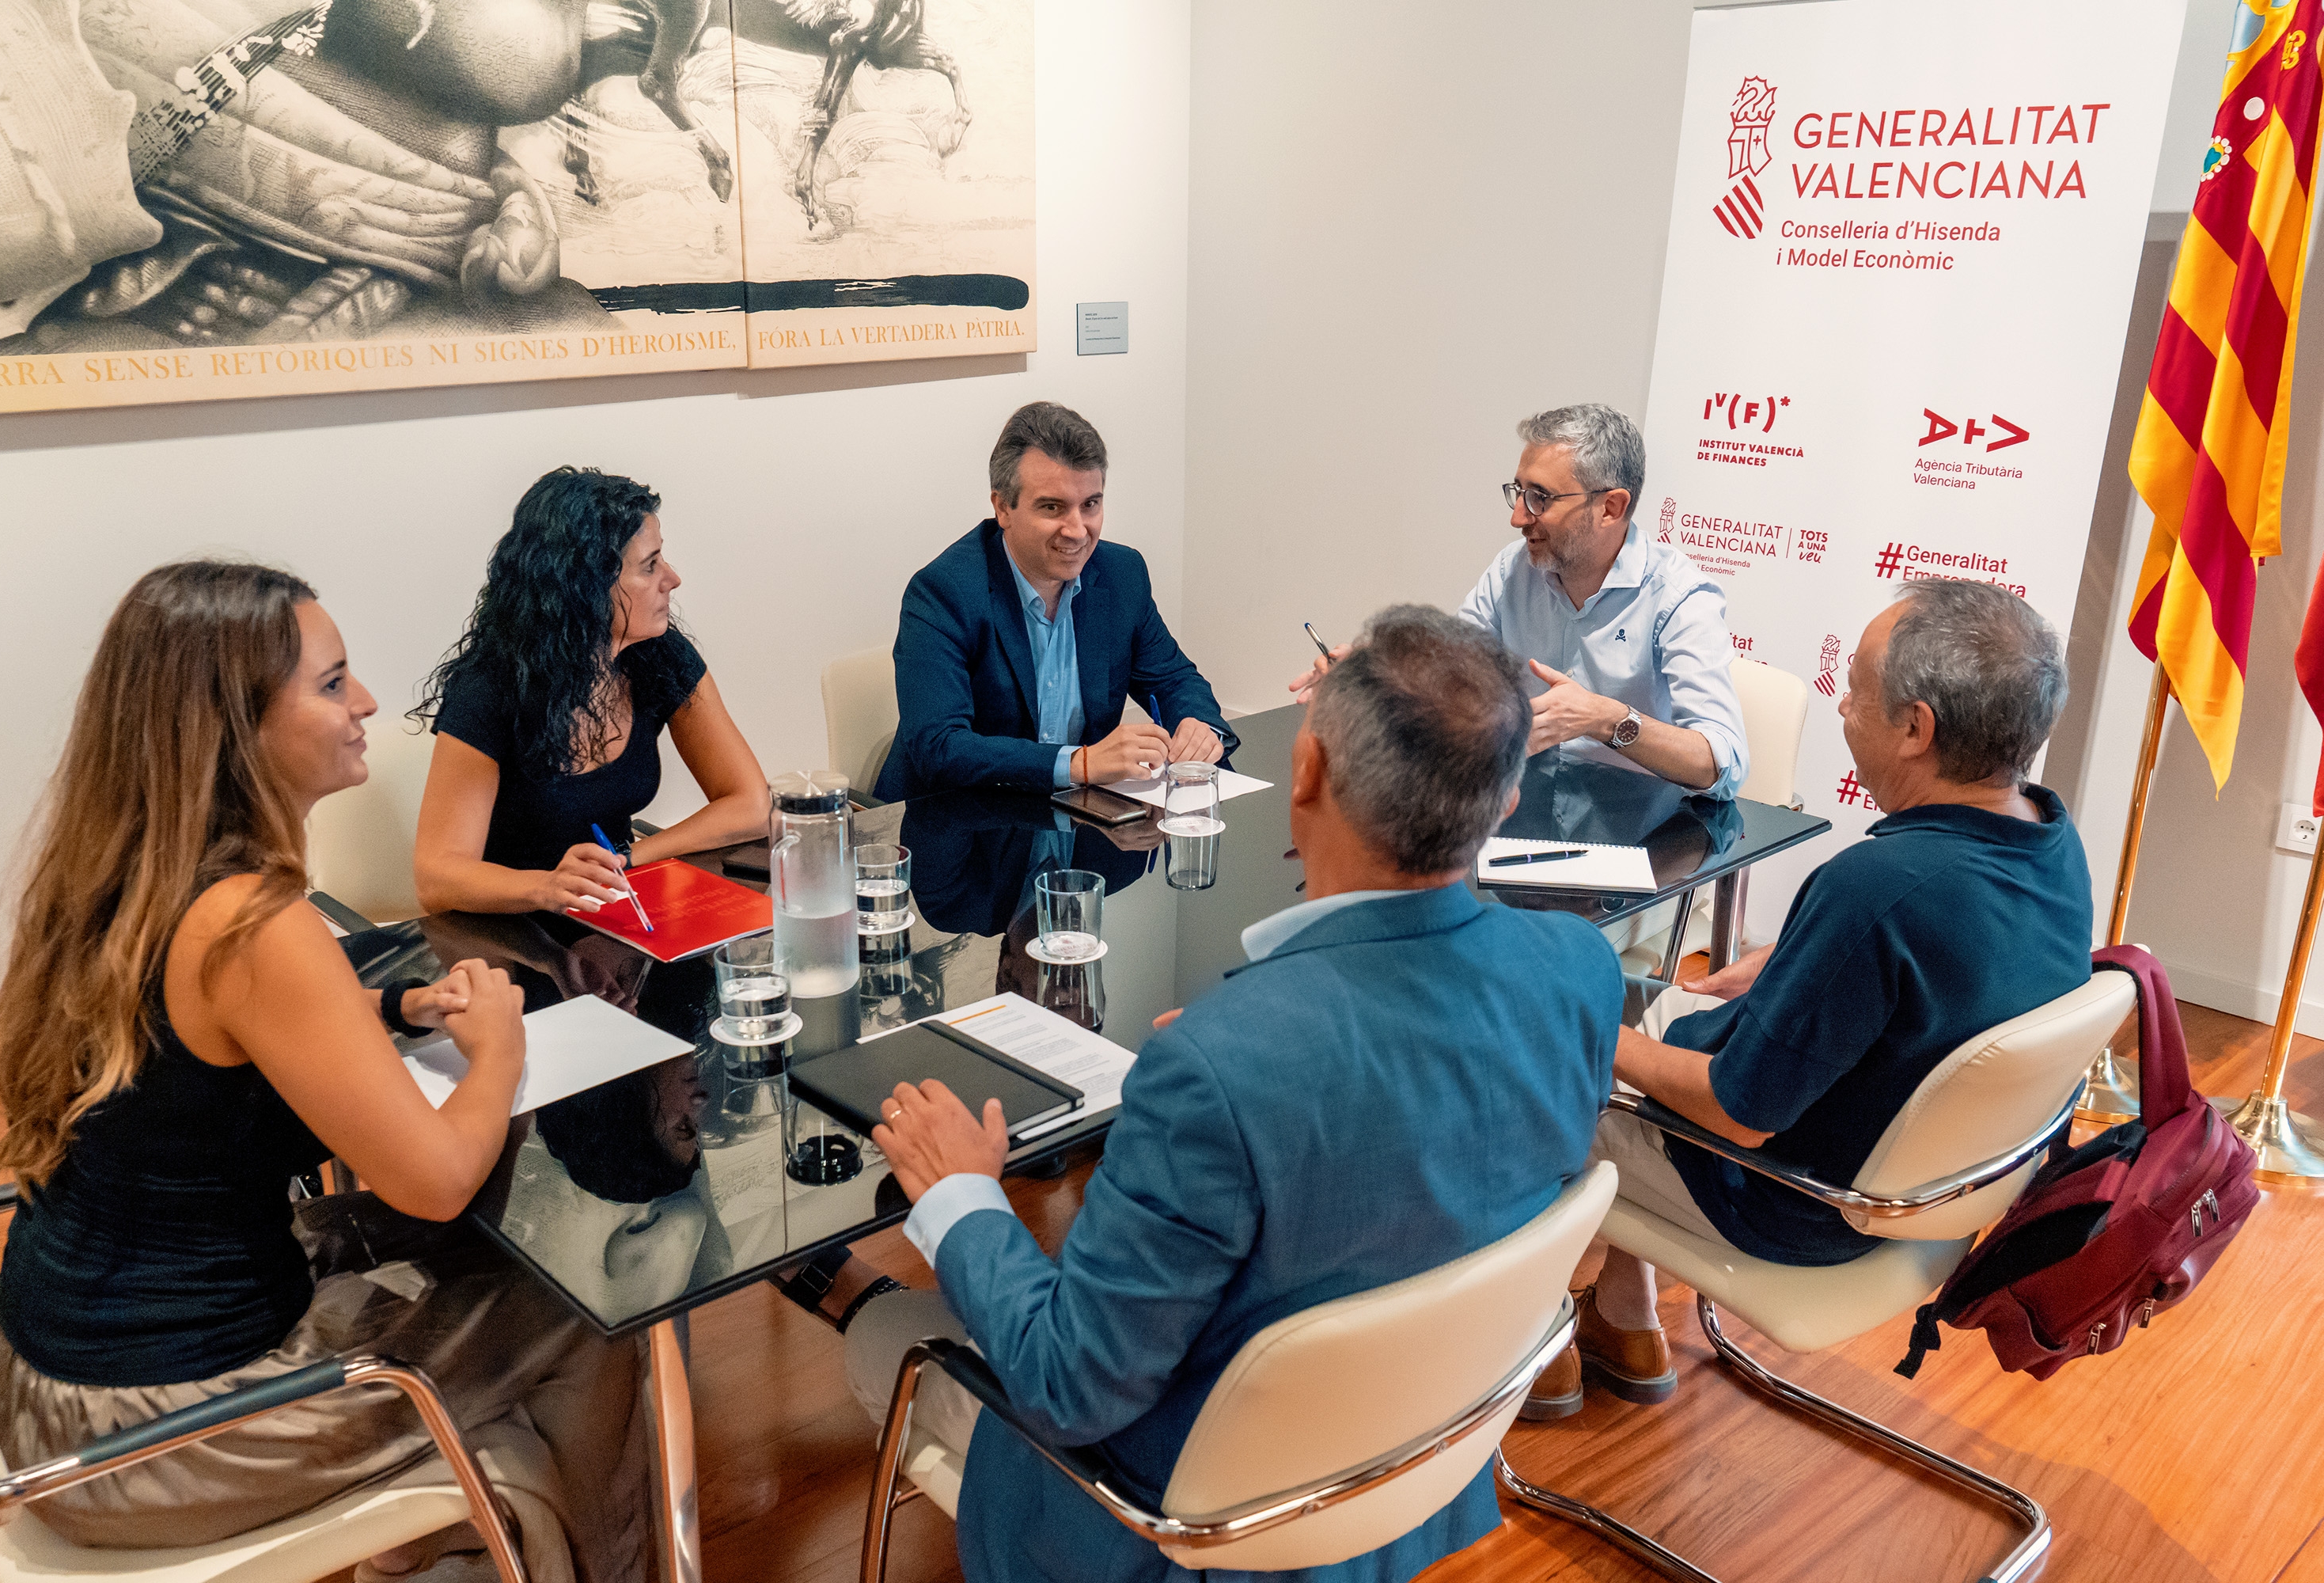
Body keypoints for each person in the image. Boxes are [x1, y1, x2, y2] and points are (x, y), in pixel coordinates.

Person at [851, 605, 1623, 1583]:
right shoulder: (1580, 969)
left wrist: (961, 1191)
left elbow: (1065, 1384)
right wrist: (1229, 1060)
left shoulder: (1221, 1067)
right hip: (1418, 1482)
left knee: (886, 1333)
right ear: (1506, 801)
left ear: (1304, 774)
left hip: (1182, 1529)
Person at [0, 560, 648, 1583]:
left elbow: (197, 1043)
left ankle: (460, 1537)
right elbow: (432, 1174)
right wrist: (498, 1049)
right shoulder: (254, 924)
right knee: (589, 1301)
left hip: (41, 1378)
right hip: (152, 1437)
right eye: (333, 683)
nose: (369, 703)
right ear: (235, 727)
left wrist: (388, 1007)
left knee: (455, 1256)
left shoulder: (118, 868)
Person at [1526, 578, 2090, 1418]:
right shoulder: (2048, 834)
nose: (1840, 703)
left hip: (1788, 1199)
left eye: (1856, 688)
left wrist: (1586, 1037)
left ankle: (1532, 1336)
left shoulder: (1878, 891)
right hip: (1938, 1191)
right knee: (1616, 991)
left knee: (1529, 1051)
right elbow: (1956, 964)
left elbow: (1736, 1112)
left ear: (1916, 727)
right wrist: (1799, 961)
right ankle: (1626, 1314)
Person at [1292, 403, 1746, 797]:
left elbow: (1722, 763)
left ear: (1611, 507)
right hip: (1520, 810)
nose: (1517, 517)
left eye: (1539, 498)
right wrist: (1373, 672)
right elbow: (1452, 671)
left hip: (1639, 839)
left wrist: (1606, 720)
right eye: (1518, 492)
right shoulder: (1515, 569)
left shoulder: (1678, 598)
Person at [414, 466, 771, 917]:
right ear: (587, 588)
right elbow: (437, 875)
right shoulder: (490, 688)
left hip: (611, 906)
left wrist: (626, 860)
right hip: (512, 926)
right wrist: (546, 887)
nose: (673, 579)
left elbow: (751, 805)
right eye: (650, 565)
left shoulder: (658, 655)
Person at [875, 401, 1236, 801]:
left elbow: (1174, 678)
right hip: (961, 830)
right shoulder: (943, 592)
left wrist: (1199, 726)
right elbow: (941, 748)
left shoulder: (1122, 574)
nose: (1078, 530)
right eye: (1052, 507)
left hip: (1076, 821)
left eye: (1091, 504)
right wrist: (1079, 764)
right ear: (1002, 508)